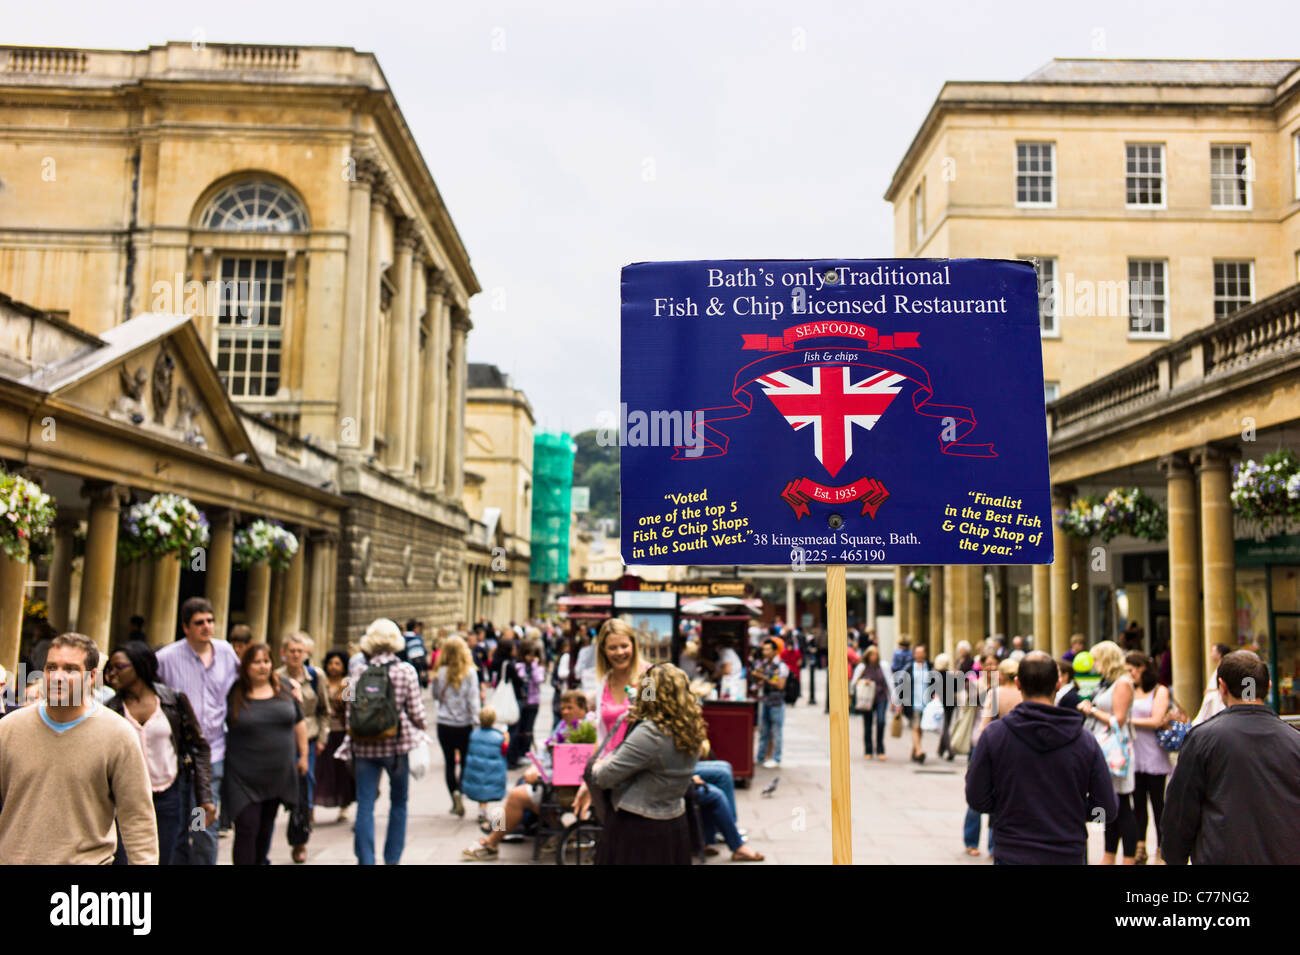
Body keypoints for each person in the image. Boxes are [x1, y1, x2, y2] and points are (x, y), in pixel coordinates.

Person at [0, 632, 158, 865]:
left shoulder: (118, 735)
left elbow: (137, 818)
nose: (57, 677)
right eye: (51, 667)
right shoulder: (8, 729)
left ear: (92, 676)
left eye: (70, 669)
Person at [965, 652, 1118, 865]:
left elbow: (976, 798)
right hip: (1067, 852)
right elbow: (1106, 809)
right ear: (1057, 684)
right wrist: (1074, 810)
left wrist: (1009, 807)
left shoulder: (995, 736)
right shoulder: (1085, 742)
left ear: (1018, 684)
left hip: (1013, 850)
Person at [1162, 651, 1300, 865]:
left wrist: (1174, 857)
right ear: (1269, 687)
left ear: (1222, 687)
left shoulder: (1202, 739)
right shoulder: (1295, 741)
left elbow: (1180, 811)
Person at [105, 641, 213, 865]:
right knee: (124, 859)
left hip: (169, 796)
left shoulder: (173, 700)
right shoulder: (110, 709)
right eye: (110, 669)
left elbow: (199, 747)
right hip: (125, 799)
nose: (112, 674)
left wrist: (205, 798)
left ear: (140, 666)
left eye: (119, 667)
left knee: (167, 855)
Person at [592, 663, 705, 865]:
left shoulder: (652, 733)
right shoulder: (691, 727)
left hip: (639, 825)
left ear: (652, 692)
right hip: (674, 821)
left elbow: (605, 776)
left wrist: (598, 765)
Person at [156, 596, 240, 865]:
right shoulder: (167, 658)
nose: (206, 626)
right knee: (179, 823)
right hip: (178, 754)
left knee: (203, 822)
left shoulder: (226, 652)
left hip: (213, 752)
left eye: (210, 621)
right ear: (186, 627)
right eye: (199, 622)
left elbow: (245, 683)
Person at [338, 618, 428, 865]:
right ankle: (392, 859)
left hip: (364, 747)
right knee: (398, 803)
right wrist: (422, 727)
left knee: (365, 803)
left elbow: (349, 713)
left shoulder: (356, 672)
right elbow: (417, 714)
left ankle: (366, 860)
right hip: (397, 747)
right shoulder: (406, 671)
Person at [462, 692, 590, 860]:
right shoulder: (562, 726)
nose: (565, 711)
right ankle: (505, 828)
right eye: (563, 707)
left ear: (583, 709)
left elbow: (572, 766)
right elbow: (546, 752)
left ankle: (492, 842)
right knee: (518, 790)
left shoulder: (586, 730)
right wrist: (535, 766)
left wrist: (541, 774)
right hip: (551, 782)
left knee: (516, 796)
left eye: (570, 708)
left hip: (562, 787)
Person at [223, 643, 307, 865]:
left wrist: (304, 756)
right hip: (243, 776)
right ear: (246, 666)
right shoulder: (233, 692)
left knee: (265, 828)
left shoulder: (287, 688)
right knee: (247, 827)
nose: (262, 667)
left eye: (266, 661)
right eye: (256, 662)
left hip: (277, 776)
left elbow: (299, 722)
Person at [1077, 640, 1136, 865]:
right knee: (1109, 803)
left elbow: (1118, 720)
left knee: (1122, 804)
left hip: (1117, 751)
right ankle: (1108, 855)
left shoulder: (1122, 683)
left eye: (1097, 659)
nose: (1095, 665)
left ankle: (1128, 858)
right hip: (1105, 747)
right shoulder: (1108, 682)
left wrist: (1091, 710)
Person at [276, 632, 330, 863]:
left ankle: (299, 841)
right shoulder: (275, 677)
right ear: (284, 654)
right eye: (292, 651)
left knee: (304, 791)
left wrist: (322, 739)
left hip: (306, 740)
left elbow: (324, 711)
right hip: (279, 742)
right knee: (273, 793)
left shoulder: (316, 676)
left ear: (306, 653)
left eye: (300, 651)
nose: (296, 655)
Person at [1125, 651, 1171, 866]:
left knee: (1158, 803)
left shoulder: (1159, 690)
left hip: (1153, 753)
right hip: (1134, 754)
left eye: (1131, 669)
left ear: (1142, 667)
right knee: (1138, 804)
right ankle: (1140, 846)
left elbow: (1156, 720)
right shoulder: (1131, 690)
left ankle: (1162, 848)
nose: (1129, 674)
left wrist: (1127, 721)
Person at [431, 634, 481, 818]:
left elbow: (435, 695)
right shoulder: (470, 672)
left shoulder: (439, 673)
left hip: (445, 723)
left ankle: (454, 796)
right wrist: (477, 722)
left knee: (449, 762)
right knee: (466, 761)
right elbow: (473, 700)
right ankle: (461, 789)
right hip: (465, 724)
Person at [314, 650, 355, 822]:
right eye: (331, 663)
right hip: (323, 731)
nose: (333, 667)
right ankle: (312, 807)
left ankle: (344, 806)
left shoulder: (347, 683)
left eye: (337, 663)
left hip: (340, 731)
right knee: (320, 771)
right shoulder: (322, 682)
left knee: (341, 771)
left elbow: (350, 707)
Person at [459, 706, 508, 848]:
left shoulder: (474, 734)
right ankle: (485, 812)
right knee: (487, 789)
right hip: (491, 770)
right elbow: (504, 750)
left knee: (481, 789)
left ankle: (482, 811)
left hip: (477, 769)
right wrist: (507, 740)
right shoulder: (498, 736)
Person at [508, 638, 546, 767]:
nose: (530, 657)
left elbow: (539, 679)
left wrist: (534, 666)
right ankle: (517, 752)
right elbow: (519, 678)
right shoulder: (519, 666)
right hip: (521, 701)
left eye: (533, 655)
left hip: (533, 702)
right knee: (520, 728)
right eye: (528, 654)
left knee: (528, 729)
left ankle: (525, 751)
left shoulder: (538, 667)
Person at [893, 644, 934, 763]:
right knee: (916, 727)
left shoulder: (930, 667)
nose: (920, 655)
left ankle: (914, 751)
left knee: (921, 729)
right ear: (914, 654)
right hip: (913, 703)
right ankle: (919, 750)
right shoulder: (909, 668)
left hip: (926, 703)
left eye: (922, 652)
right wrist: (899, 703)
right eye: (918, 652)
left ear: (925, 654)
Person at [752, 638, 789, 768]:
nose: (764, 652)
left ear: (774, 651)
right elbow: (762, 682)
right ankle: (760, 757)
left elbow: (780, 685)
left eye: (767, 649)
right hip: (766, 701)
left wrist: (763, 677)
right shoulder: (765, 665)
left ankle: (776, 758)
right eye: (763, 649)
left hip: (777, 703)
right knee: (764, 731)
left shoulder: (781, 666)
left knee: (776, 731)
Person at [852, 645, 891, 760]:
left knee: (881, 721)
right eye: (872, 654)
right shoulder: (862, 667)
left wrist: (894, 700)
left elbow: (889, 682)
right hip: (867, 698)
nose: (874, 657)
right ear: (868, 656)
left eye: (876, 654)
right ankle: (868, 750)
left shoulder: (883, 666)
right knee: (867, 725)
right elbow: (854, 682)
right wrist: (864, 682)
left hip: (881, 697)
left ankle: (880, 749)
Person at [1191, 642, 1232, 726]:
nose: (1211, 654)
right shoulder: (1218, 669)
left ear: (1219, 654)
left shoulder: (1224, 669)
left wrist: (1211, 691)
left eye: (1213, 651)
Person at [402, 619, 429, 688]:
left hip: (415, 660)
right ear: (414, 628)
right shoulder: (412, 637)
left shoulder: (407, 637)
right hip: (415, 660)